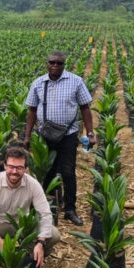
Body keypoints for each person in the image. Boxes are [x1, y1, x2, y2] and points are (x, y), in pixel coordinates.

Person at [24, 51, 95, 226]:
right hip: (45, 134)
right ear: (47, 63)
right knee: (47, 171)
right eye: (52, 62)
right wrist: (26, 136)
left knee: (68, 172)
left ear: (65, 64)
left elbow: (85, 108)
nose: (55, 66)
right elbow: (32, 110)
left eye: (59, 63)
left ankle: (70, 209)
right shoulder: (39, 83)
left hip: (68, 134)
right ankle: (50, 206)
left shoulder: (76, 81)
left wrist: (90, 133)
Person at [0, 147, 61, 268]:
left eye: (19, 167)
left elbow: (45, 214)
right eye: (11, 166)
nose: (14, 171)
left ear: (26, 169)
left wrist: (40, 242)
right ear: (5, 166)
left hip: (21, 225)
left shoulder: (33, 184)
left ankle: (30, 253)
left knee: (54, 235)